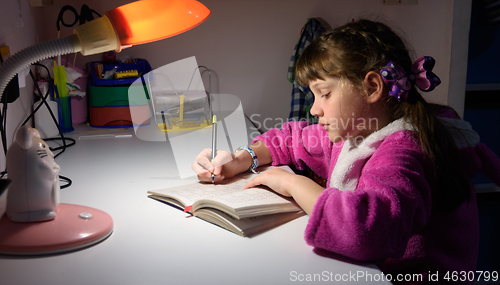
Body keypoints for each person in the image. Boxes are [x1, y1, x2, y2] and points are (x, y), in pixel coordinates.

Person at [192, 19, 500, 283]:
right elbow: (290, 138)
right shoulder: (357, 129)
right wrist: (242, 157)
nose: (314, 109)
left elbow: (366, 232)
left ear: (372, 87)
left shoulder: (405, 152)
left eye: (324, 94)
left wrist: (292, 183)